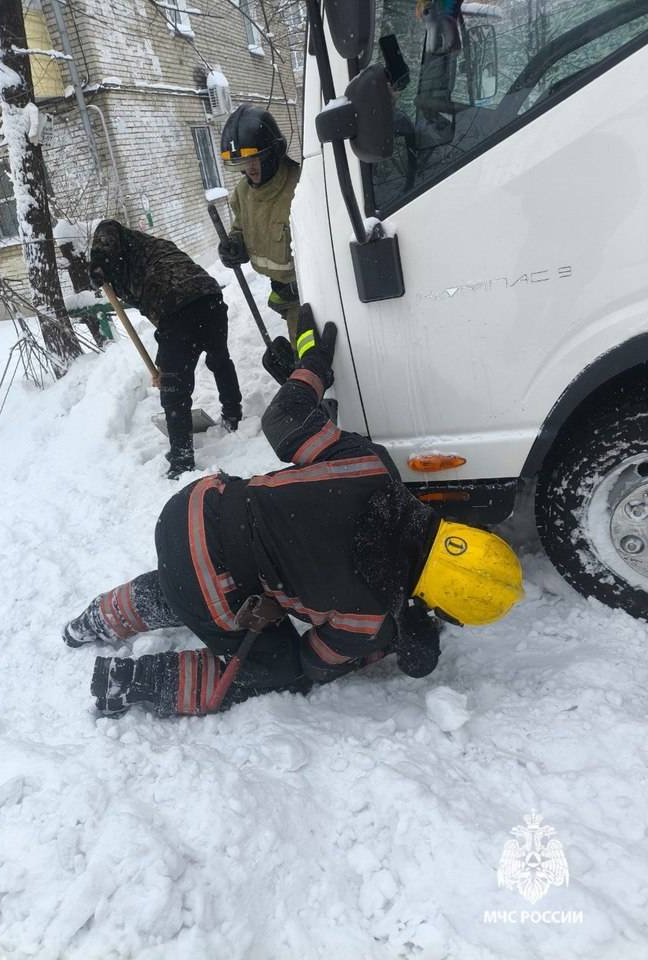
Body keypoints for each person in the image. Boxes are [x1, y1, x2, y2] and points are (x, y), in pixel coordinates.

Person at [63, 305, 524, 719]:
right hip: (206, 574)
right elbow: (313, 662)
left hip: (194, 505)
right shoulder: (367, 620)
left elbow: (284, 417)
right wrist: (392, 639)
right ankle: (133, 682)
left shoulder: (368, 467)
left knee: (194, 580)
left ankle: (94, 619)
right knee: (276, 668)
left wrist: (311, 366)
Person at [88, 219, 243, 479]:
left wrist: (98, 261)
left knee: (175, 390)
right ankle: (234, 414)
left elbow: (106, 227)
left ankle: (182, 459)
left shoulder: (118, 245)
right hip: (209, 297)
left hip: (177, 306)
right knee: (219, 360)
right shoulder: (148, 249)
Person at [218, 105, 301, 350]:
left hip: (310, 295)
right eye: (243, 161)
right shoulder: (243, 193)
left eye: (255, 158)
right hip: (282, 292)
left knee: (307, 351)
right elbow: (241, 228)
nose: (250, 168)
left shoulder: (301, 186)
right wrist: (235, 246)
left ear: (272, 153)